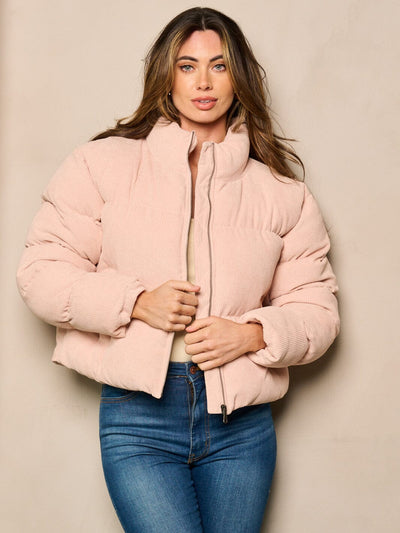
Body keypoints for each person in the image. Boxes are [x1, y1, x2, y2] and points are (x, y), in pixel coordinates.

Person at [16, 6, 339, 533]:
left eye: (219, 65)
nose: (203, 82)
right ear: (167, 75)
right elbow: (40, 273)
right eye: (187, 66)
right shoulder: (101, 165)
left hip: (241, 426)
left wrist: (252, 334)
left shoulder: (284, 194)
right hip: (138, 415)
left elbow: (318, 313)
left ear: (239, 77)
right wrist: (135, 302)